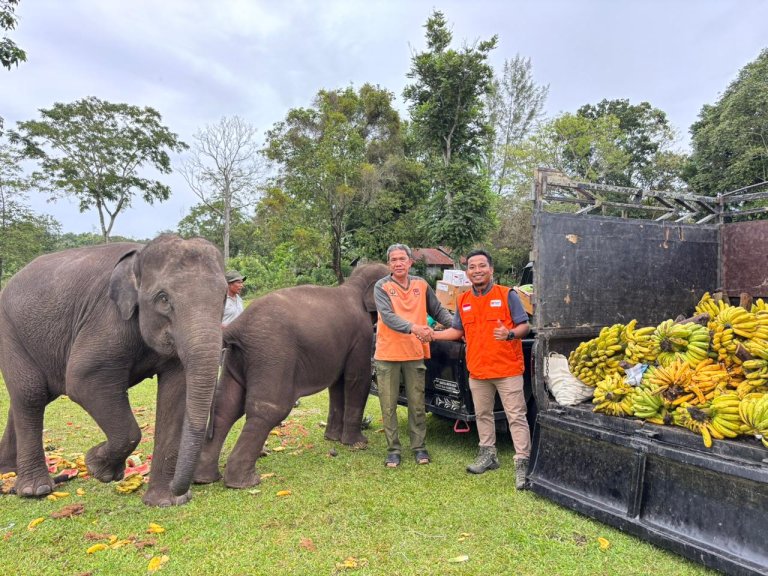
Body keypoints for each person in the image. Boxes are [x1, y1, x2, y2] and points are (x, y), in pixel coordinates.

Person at [432, 249, 531, 489]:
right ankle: (489, 456)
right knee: (482, 416)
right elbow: (457, 332)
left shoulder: (507, 295)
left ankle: (523, 464)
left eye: (481, 266)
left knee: (515, 417)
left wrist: (508, 334)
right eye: (472, 267)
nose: (477, 270)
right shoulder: (463, 300)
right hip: (478, 370)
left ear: (491, 269)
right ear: (467, 272)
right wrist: (432, 335)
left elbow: (524, 326)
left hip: (507, 369)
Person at [374, 243, 453, 468]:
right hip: (388, 354)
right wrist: (415, 328)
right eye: (393, 260)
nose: (398, 263)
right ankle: (393, 450)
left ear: (410, 262)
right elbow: (388, 317)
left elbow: (437, 310)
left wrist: (456, 328)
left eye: (402, 259)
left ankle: (419, 447)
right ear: (389, 264)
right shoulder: (382, 286)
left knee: (417, 403)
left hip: (414, 353)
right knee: (388, 406)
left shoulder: (420, 284)